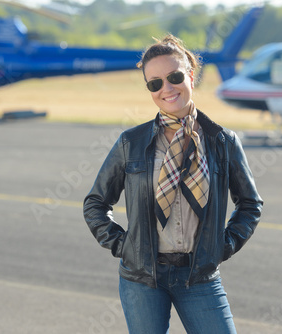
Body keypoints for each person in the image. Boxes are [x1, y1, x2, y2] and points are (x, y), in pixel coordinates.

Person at [83, 34, 263, 334]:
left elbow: (250, 204)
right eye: (155, 83)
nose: (166, 88)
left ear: (191, 76)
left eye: (174, 77)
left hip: (200, 277)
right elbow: (95, 204)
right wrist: (124, 247)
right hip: (142, 279)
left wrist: (224, 246)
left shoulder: (222, 142)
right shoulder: (131, 142)